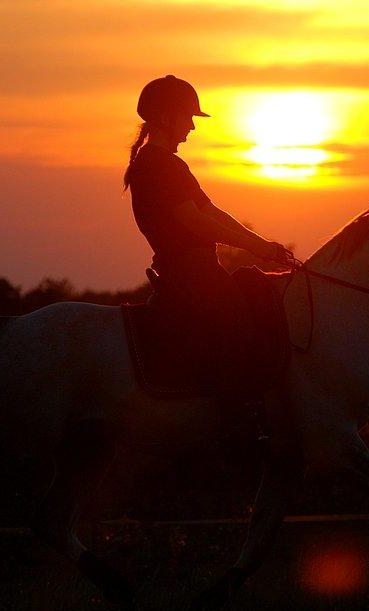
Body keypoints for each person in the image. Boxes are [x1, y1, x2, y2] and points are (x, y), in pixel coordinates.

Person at [122, 75, 291, 423]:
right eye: (188, 118)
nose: (191, 128)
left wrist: (262, 245)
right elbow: (193, 222)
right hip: (189, 271)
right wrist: (252, 246)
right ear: (167, 117)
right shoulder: (156, 166)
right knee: (239, 328)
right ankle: (235, 421)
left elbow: (212, 212)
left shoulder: (171, 165)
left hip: (199, 268)